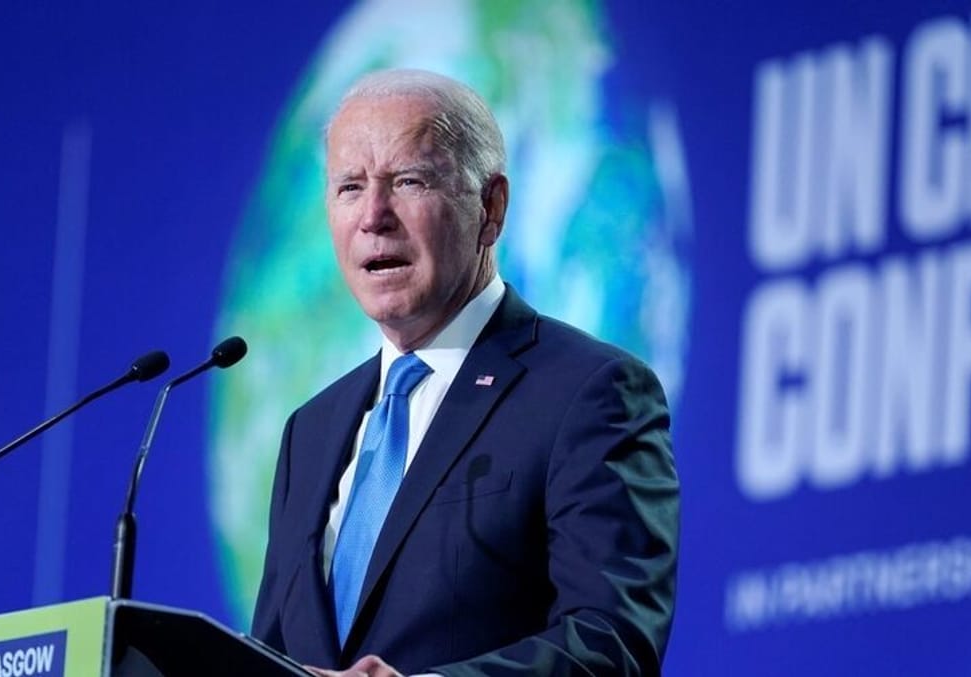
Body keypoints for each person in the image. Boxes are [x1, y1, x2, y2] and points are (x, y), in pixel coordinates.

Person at [251, 68, 679, 677]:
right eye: (349, 187)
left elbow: (614, 641)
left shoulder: (589, 392)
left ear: (491, 208)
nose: (374, 215)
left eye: (409, 180)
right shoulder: (310, 433)